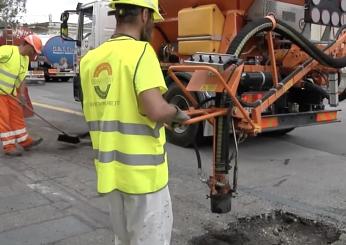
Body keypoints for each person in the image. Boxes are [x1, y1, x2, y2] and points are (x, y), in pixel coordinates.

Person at [80, 0, 190, 244]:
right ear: (143, 15)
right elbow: (155, 109)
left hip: (110, 172)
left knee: (124, 239)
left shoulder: (90, 59)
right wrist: (176, 112)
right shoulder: (141, 52)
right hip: (143, 178)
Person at [0, 34, 44, 157]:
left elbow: (22, 78)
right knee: (4, 118)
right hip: (0, 93)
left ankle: (25, 141)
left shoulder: (25, 59)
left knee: (17, 116)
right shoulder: (7, 50)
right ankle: (9, 147)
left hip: (11, 93)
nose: (34, 54)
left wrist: (21, 94)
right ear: (27, 45)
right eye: (33, 51)